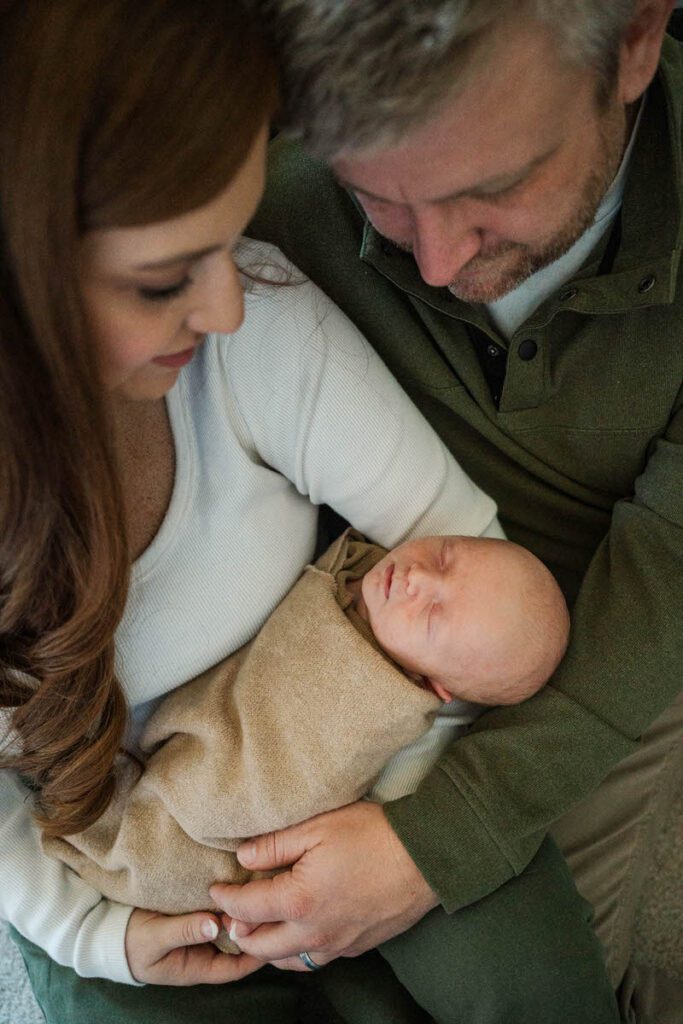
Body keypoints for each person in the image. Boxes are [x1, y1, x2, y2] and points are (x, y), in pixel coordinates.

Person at [0, 2, 620, 1023]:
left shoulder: (256, 320)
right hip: (119, 846)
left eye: (229, 238)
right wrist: (92, 936)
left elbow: (460, 552)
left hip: (369, 760)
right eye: (163, 281)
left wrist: (402, 835)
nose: (225, 304)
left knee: (522, 972)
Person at [219, 0, 683, 1019]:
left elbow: (664, 574)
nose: (436, 264)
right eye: (376, 199)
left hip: (602, 618)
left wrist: (435, 845)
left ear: (635, 39)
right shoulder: (269, 190)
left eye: (493, 188)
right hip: (301, 623)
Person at [44, 529, 570, 931]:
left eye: (433, 616)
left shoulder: (365, 710)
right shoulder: (367, 581)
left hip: (197, 821)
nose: (419, 579)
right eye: (446, 556)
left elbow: (256, 785)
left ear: (436, 686)